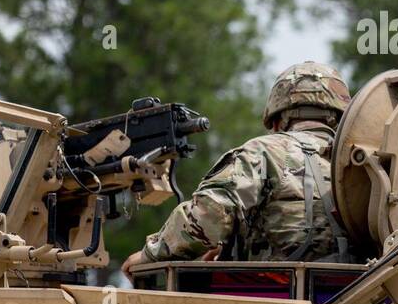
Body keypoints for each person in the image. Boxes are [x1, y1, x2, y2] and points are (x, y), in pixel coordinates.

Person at [122, 61, 351, 279]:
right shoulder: (363, 161)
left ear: (277, 119)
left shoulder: (264, 151)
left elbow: (208, 216)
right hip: (360, 302)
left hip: (278, 302)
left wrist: (149, 254)